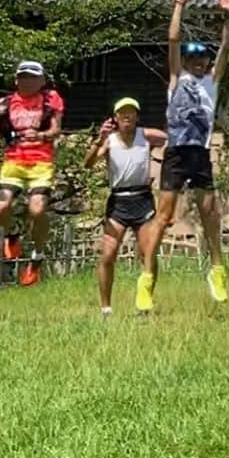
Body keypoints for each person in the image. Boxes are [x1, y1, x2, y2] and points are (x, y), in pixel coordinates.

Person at [144, 0, 229, 308]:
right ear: (184, 63)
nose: (197, 64)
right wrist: (179, 5)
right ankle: (147, 278)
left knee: (210, 211)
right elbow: (172, 38)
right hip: (175, 153)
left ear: (207, 65)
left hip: (200, 153)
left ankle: (217, 269)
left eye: (202, 60)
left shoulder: (211, 83)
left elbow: (226, 47)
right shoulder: (176, 79)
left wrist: (228, 16)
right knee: (164, 215)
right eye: (191, 59)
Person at [0, 60, 65, 287]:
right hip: (11, 164)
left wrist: (42, 136)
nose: (27, 81)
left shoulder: (51, 99)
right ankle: (12, 233)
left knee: (37, 210)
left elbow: (56, 129)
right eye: (23, 77)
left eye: (32, 77)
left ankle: (37, 256)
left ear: (41, 80)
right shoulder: (4, 104)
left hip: (41, 164)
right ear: (16, 79)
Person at [83, 97, 166, 317]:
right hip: (119, 202)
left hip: (143, 199)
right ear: (116, 118)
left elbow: (171, 139)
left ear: (137, 117)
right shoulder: (109, 141)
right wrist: (98, 141)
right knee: (108, 255)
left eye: (131, 113)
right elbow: (88, 164)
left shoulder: (145, 135)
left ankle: (145, 300)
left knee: (147, 253)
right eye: (122, 113)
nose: (127, 116)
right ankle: (106, 308)